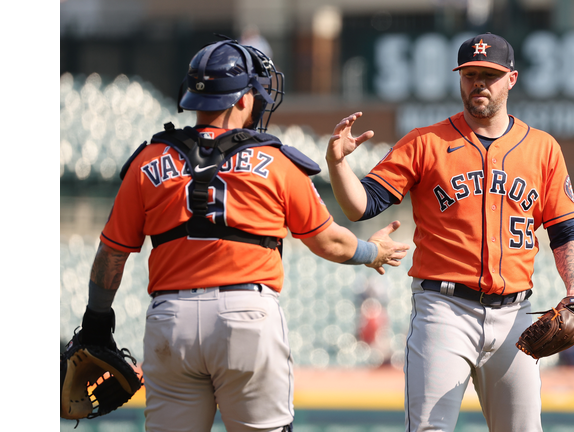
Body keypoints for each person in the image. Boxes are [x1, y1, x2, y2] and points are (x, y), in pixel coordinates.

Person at [75, 38, 409, 432]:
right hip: (246, 315)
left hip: (171, 320)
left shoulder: (148, 159)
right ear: (242, 99)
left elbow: (111, 255)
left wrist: (97, 321)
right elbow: (328, 241)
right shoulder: (275, 160)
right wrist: (373, 252)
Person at [325, 33, 574, 431]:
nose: (478, 83)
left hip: (516, 312)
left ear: (511, 79)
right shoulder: (425, 142)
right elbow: (361, 205)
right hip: (444, 311)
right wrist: (339, 165)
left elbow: (566, 233)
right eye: (469, 75)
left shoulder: (542, 148)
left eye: (489, 75)